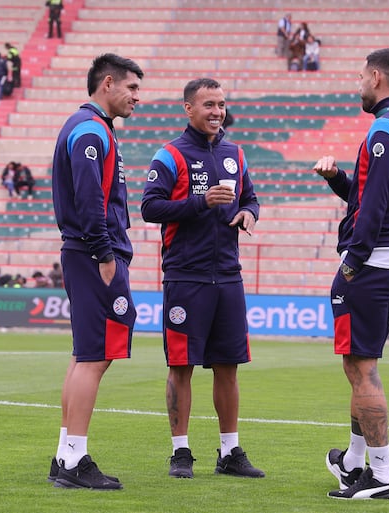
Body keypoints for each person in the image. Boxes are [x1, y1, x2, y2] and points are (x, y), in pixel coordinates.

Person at [313, 48, 389, 501]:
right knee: (360, 365)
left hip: (373, 261)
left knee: (362, 369)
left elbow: (375, 207)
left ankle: (382, 476)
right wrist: (339, 177)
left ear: (377, 77)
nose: (358, 84)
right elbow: (374, 196)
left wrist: (352, 262)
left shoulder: (383, 128)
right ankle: (355, 464)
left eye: (362, 77)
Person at [141, 78, 263, 480]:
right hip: (185, 276)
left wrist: (249, 213)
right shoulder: (170, 154)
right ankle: (180, 452)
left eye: (222, 104)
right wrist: (200, 202)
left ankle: (230, 452)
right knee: (181, 365)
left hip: (228, 276)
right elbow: (150, 207)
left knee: (229, 366)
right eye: (208, 104)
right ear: (188, 109)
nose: (217, 111)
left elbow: (251, 198)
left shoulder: (235, 154)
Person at [49, 53, 143, 490]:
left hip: (85, 252)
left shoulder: (91, 127)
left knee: (84, 355)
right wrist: (106, 256)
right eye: (132, 88)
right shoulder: (90, 129)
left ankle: (66, 453)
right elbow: (90, 200)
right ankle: (73, 461)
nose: (136, 98)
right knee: (94, 357)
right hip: (93, 255)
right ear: (108, 84)